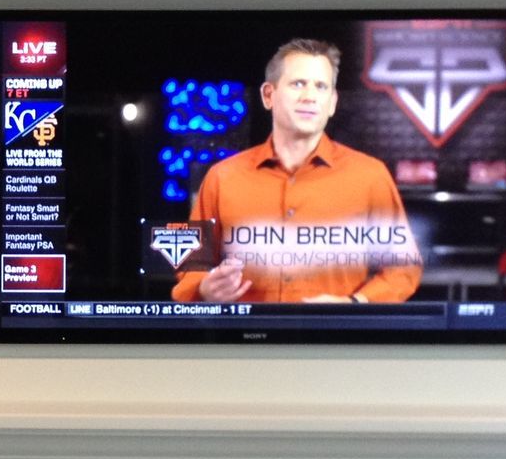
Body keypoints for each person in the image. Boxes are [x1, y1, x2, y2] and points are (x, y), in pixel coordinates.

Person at [171, 38, 421, 305]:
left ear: (332, 102)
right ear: (268, 95)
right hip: (245, 341)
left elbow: (404, 269)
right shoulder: (222, 177)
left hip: (332, 342)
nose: (309, 97)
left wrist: (354, 304)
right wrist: (204, 289)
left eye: (321, 86)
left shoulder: (370, 176)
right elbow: (189, 264)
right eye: (298, 84)